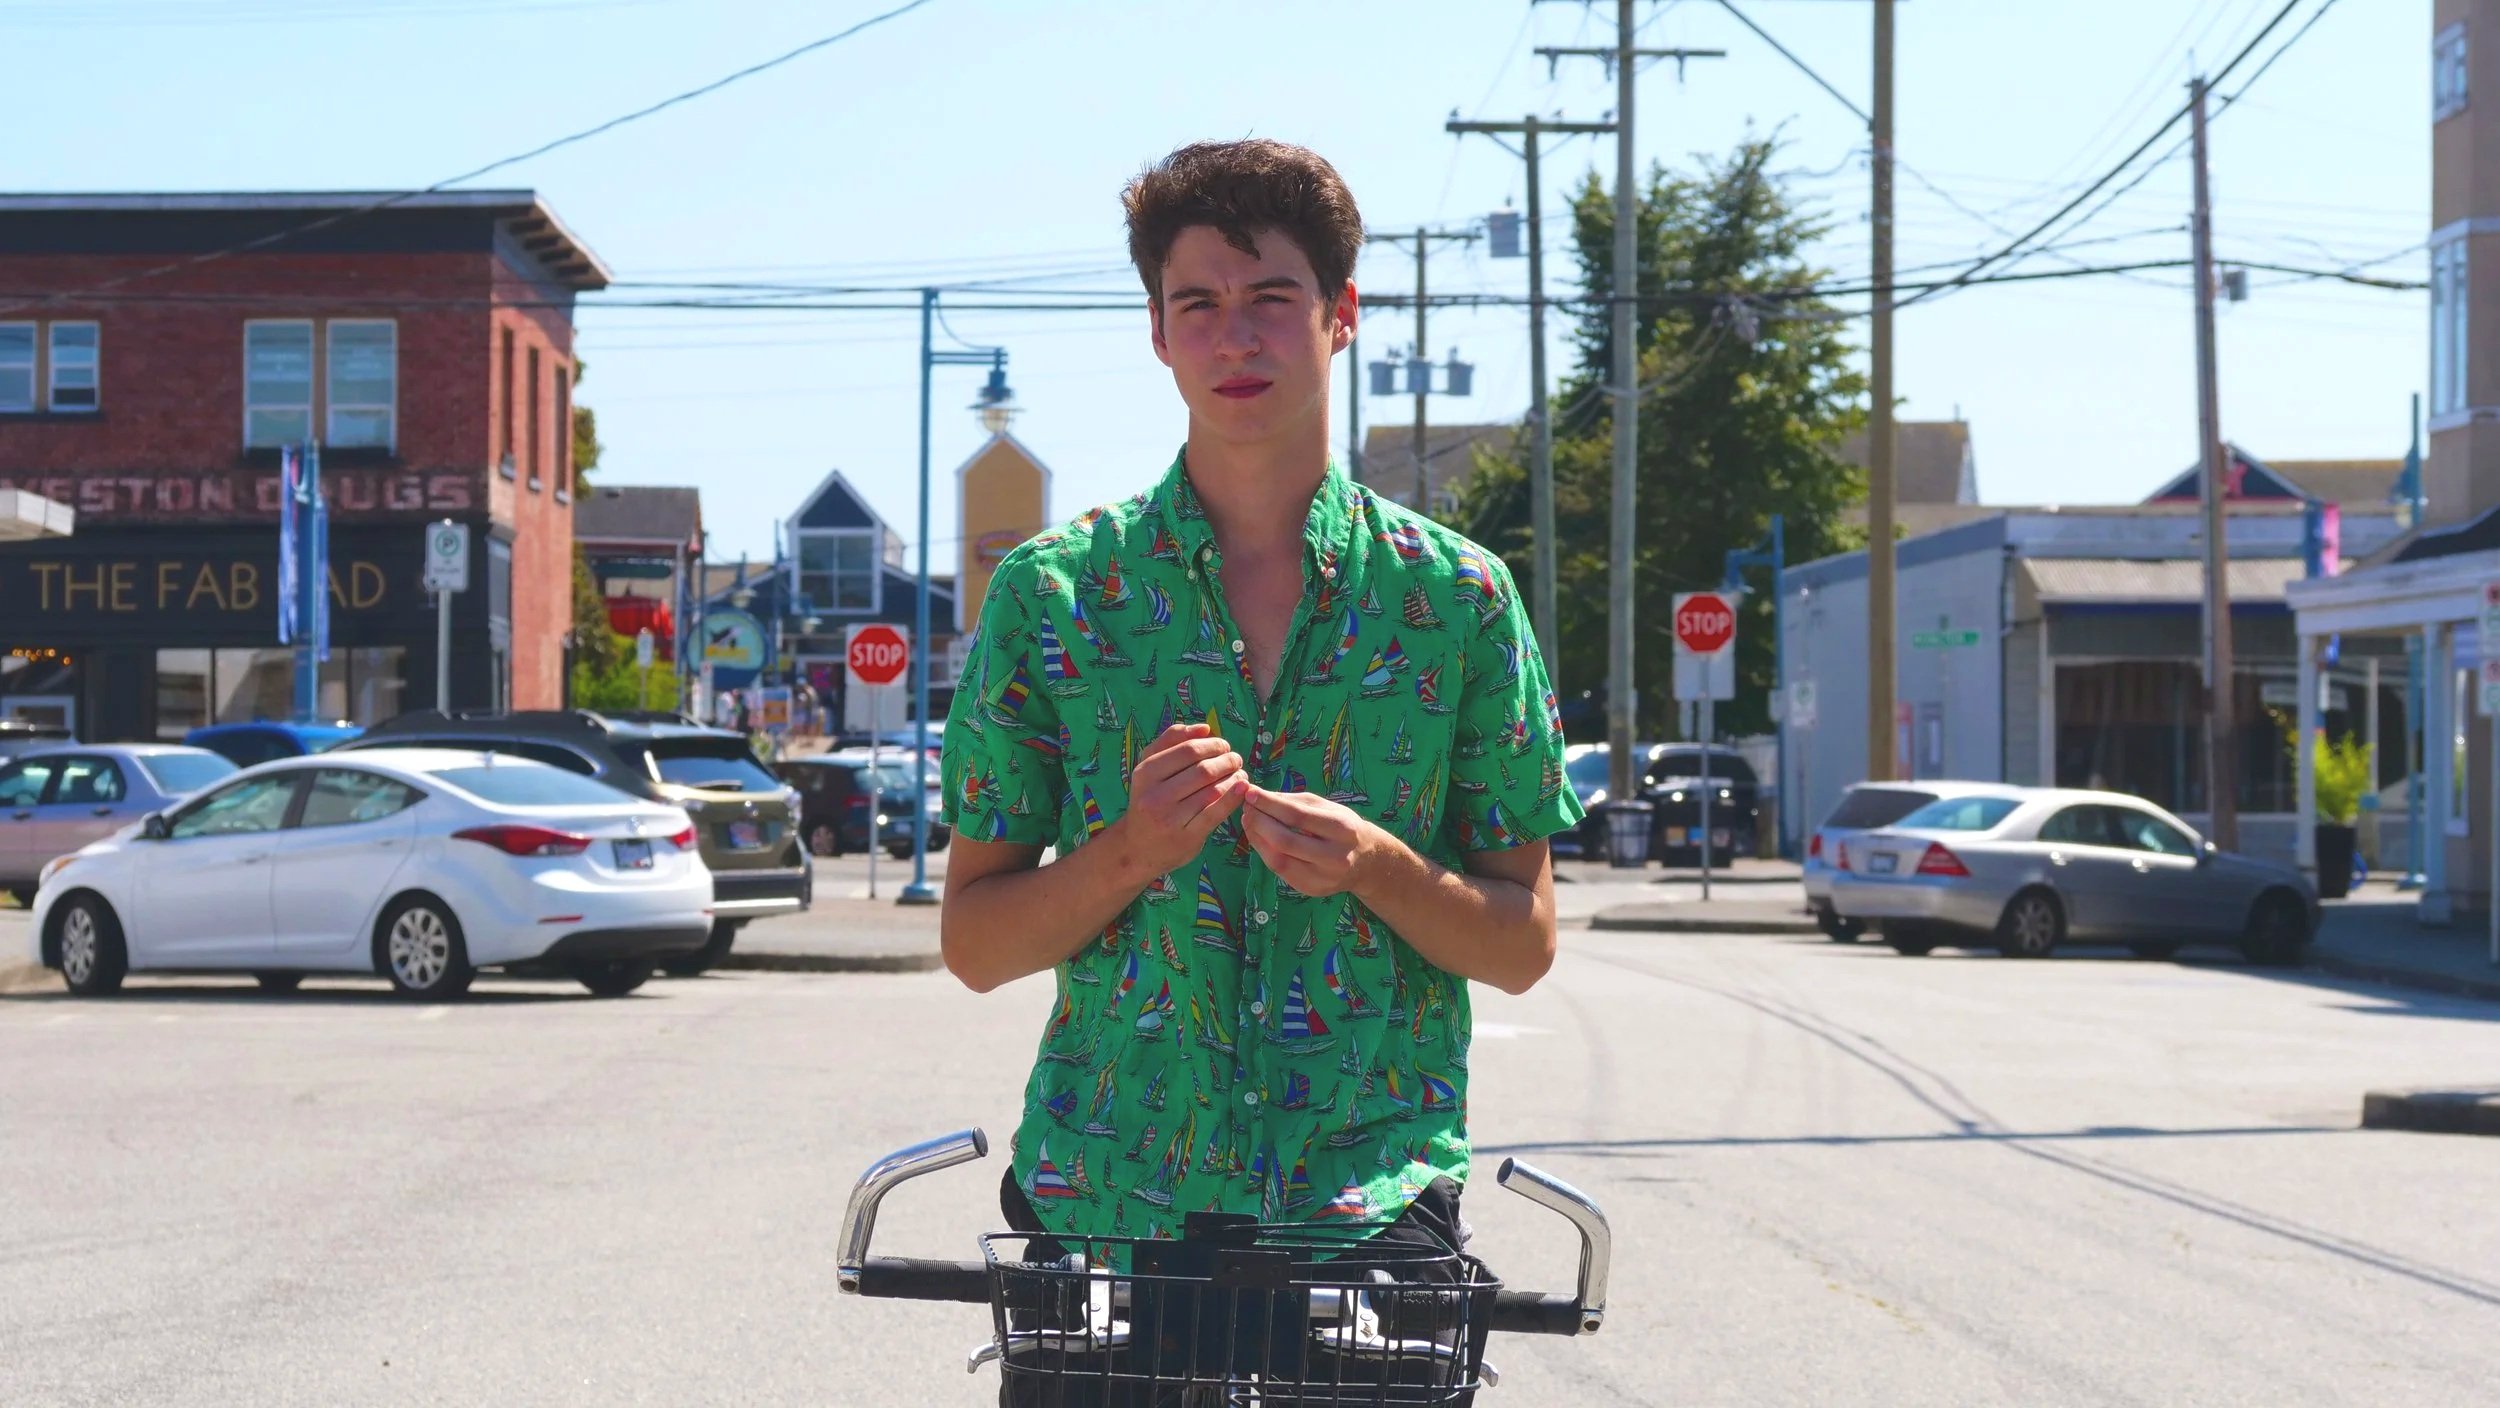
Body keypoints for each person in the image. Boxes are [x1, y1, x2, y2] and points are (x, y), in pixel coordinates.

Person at [939, 139, 1580, 1403]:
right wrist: (1131, 851)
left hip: (1367, 1201)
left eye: (1271, 298)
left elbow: (1520, 943)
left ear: (1340, 316)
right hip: (1112, 1200)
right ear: (1159, 336)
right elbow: (974, 942)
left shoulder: (1456, 599)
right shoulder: (1056, 597)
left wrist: (1382, 867)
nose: (1236, 336)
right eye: (1198, 305)